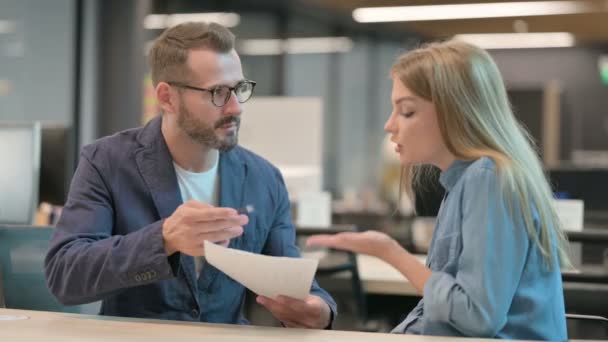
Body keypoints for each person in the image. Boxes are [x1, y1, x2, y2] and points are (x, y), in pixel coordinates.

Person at [44, 21, 336, 328]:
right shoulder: (107, 162)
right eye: (218, 92)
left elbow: (296, 283)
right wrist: (164, 238)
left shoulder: (263, 178)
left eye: (239, 89)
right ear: (167, 97)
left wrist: (320, 310)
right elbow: (65, 275)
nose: (235, 107)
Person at [307, 40, 570, 340]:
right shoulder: (463, 182)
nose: (389, 125)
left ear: (454, 112)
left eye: (406, 111)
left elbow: (477, 316)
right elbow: (439, 313)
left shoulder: (488, 178)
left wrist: (389, 252)